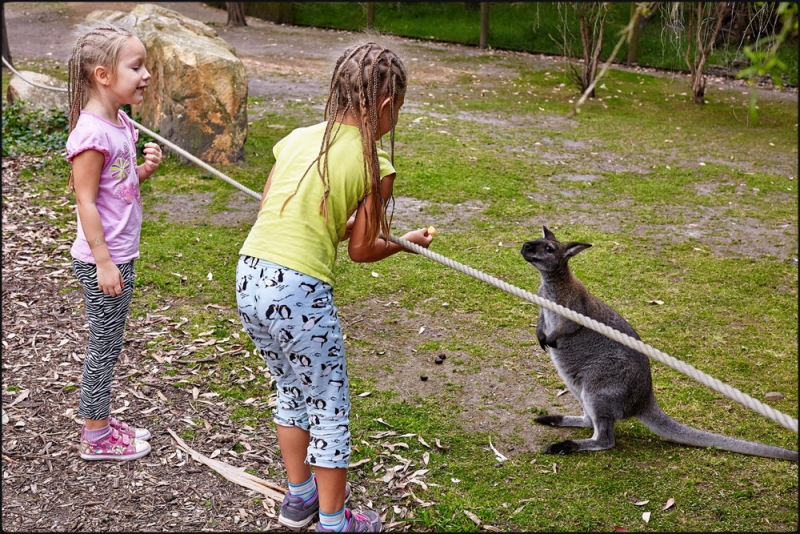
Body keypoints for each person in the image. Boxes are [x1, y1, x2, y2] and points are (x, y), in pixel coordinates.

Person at [236, 42, 432, 532]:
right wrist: (404, 244)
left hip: (250, 275)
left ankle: (299, 498)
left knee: (289, 388)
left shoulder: (297, 139)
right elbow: (363, 249)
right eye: (397, 112)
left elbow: (280, 214)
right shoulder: (375, 165)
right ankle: (333, 522)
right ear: (386, 106)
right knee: (328, 404)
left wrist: (344, 228)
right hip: (298, 290)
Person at [66, 21, 162, 461]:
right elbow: (85, 202)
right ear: (104, 75)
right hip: (104, 260)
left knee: (110, 343)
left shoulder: (119, 121)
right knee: (102, 349)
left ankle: (99, 418)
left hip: (121, 254)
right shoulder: (90, 134)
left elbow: (114, 188)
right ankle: (96, 436)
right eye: (136, 67)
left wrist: (141, 172)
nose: (146, 75)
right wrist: (104, 262)